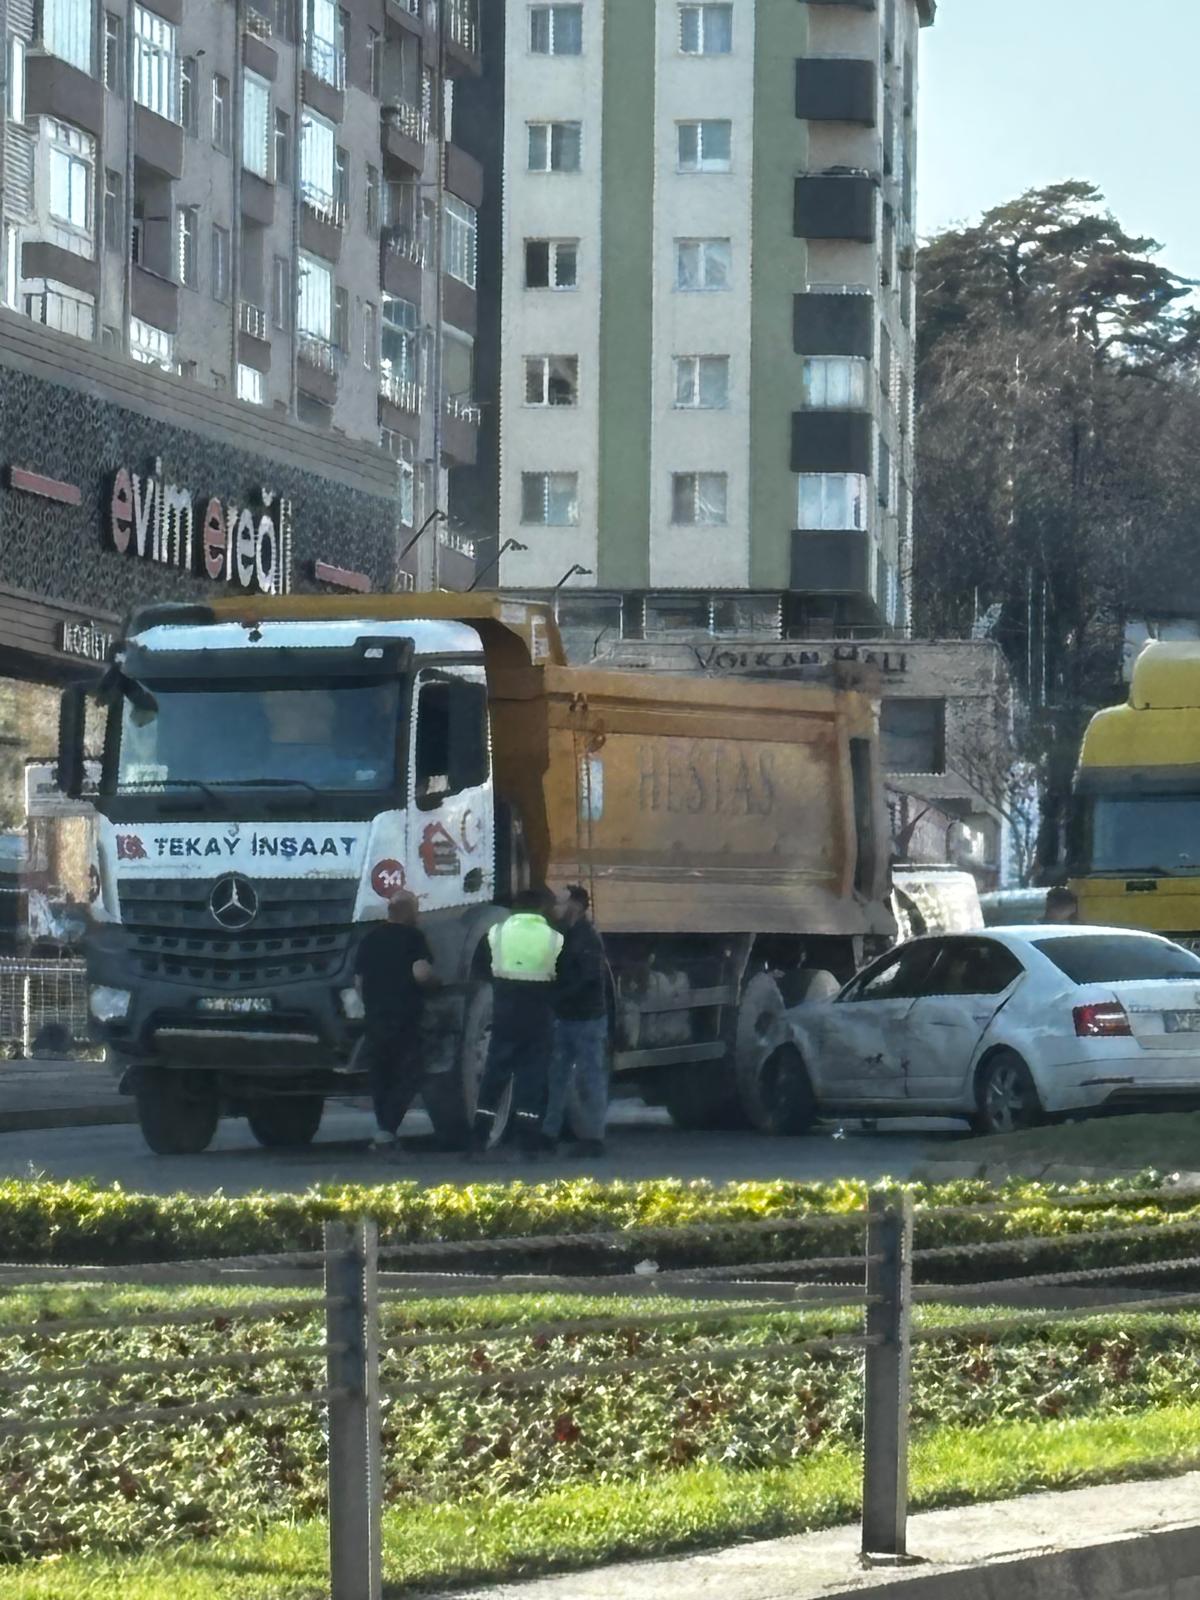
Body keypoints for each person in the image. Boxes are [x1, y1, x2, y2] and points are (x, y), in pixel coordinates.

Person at [470, 886, 563, 1157]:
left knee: (494, 1077)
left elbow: (480, 971)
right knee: (531, 1080)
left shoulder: (496, 933)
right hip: (538, 1016)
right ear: (541, 908)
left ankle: (478, 1140)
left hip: (504, 1012)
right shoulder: (554, 938)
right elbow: (564, 977)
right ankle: (528, 1144)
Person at [353, 891, 439, 1151]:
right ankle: (388, 1129)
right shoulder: (414, 937)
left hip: (375, 1017)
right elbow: (421, 973)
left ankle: (383, 1129)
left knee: (381, 1074)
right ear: (410, 911)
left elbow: (358, 982)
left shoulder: (369, 939)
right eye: (417, 910)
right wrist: (437, 985)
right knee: (410, 1073)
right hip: (405, 1016)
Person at [544, 885, 609, 1157]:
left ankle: (593, 1138)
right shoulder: (565, 933)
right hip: (569, 1015)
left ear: (577, 906)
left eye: (562, 901)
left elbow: (588, 978)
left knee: (588, 1076)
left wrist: (556, 996)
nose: (557, 906)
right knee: (557, 1076)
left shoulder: (585, 937)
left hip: (585, 1018)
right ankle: (549, 1133)